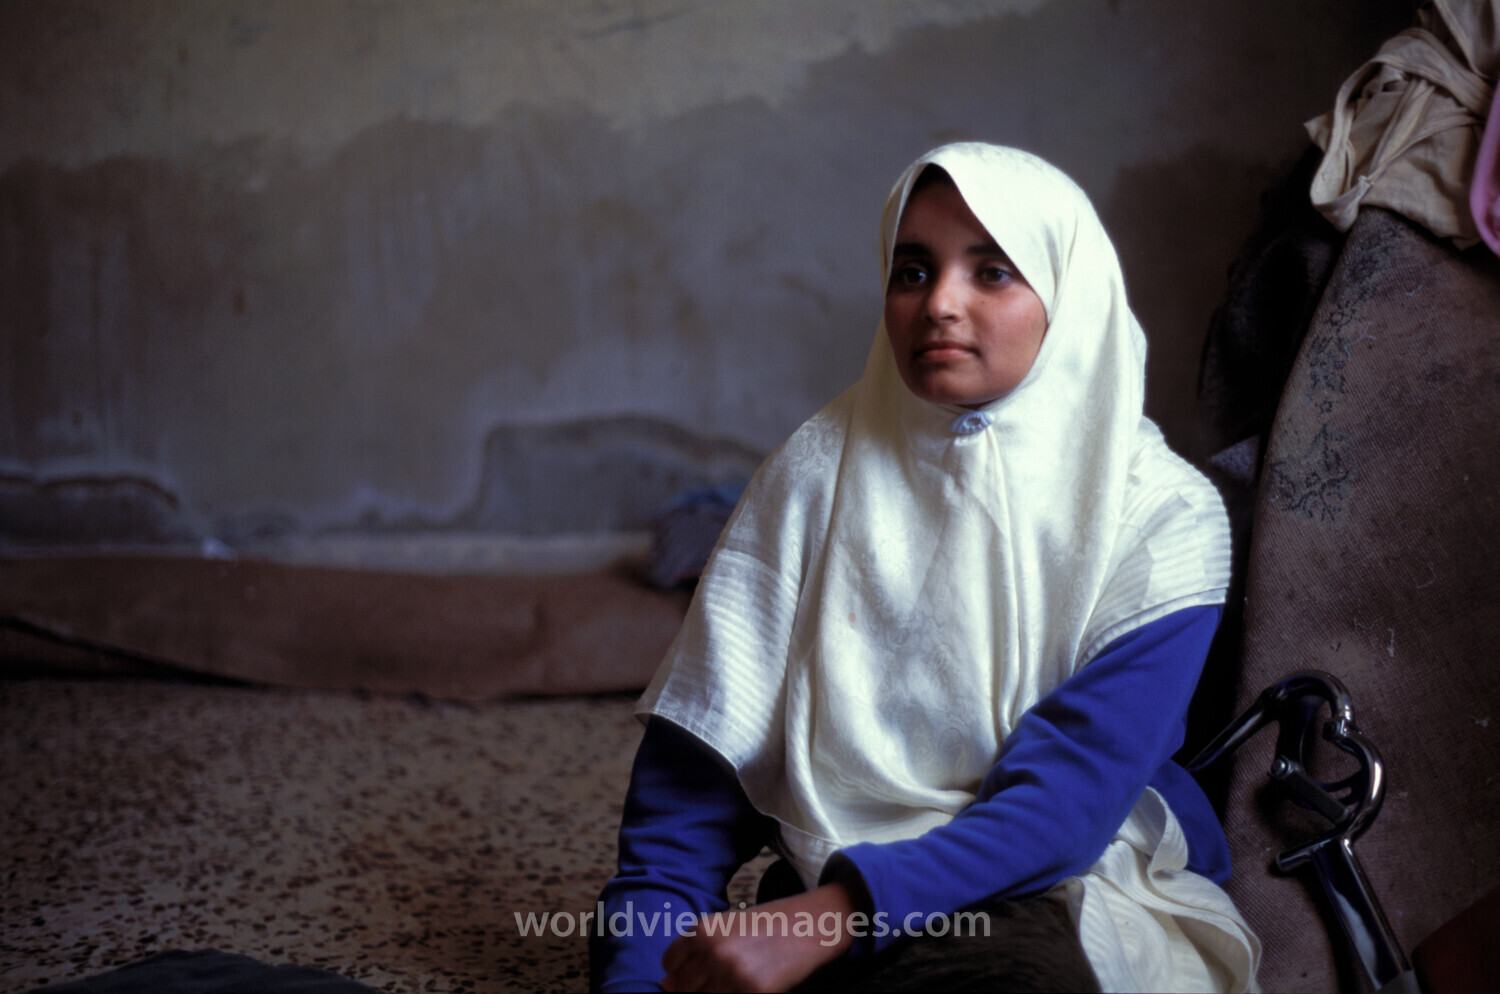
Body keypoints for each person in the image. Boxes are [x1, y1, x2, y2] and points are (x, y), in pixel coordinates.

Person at [590, 143, 1261, 993]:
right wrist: (638, 977)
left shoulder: (1162, 513)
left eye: (993, 272)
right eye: (912, 271)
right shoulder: (815, 472)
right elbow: (688, 796)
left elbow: (1063, 806)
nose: (938, 303)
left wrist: (830, 917)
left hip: (1055, 883)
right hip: (829, 874)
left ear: (1069, 293)